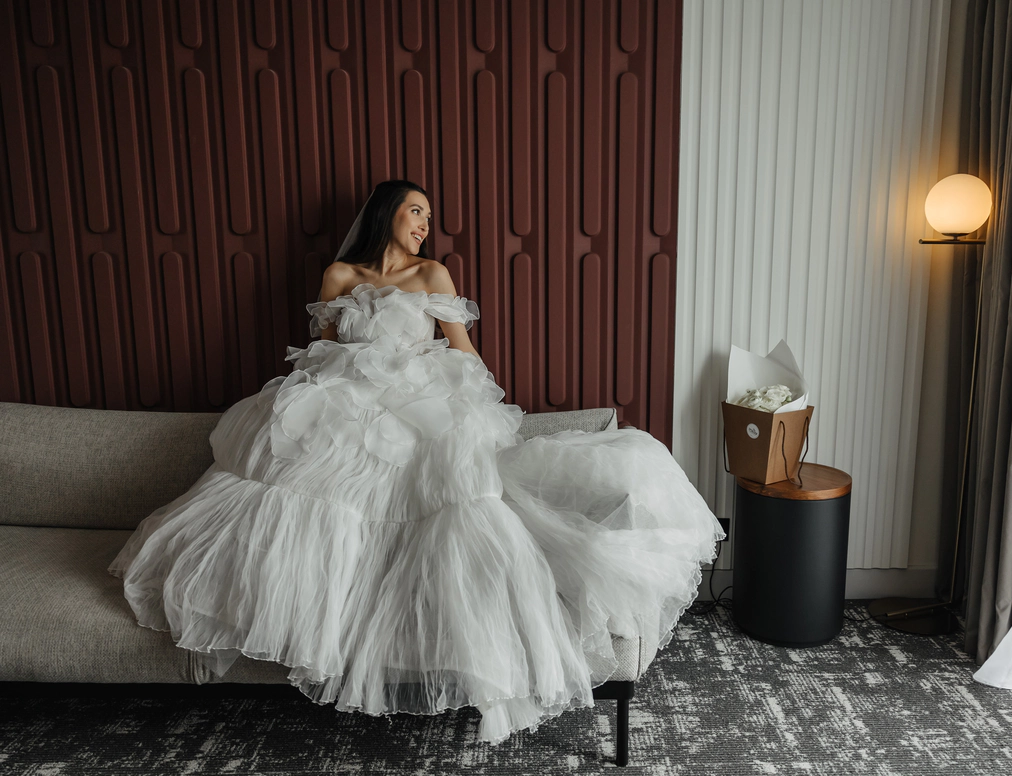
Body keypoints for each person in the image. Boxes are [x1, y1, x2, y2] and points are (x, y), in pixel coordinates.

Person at [108, 179, 725, 743]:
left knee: (452, 500)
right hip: (346, 405)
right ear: (387, 214)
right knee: (300, 482)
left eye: (429, 216)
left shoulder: (433, 274)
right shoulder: (339, 276)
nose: (426, 225)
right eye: (416, 212)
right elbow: (319, 351)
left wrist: (476, 408)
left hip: (421, 407)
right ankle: (317, 616)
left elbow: (462, 351)